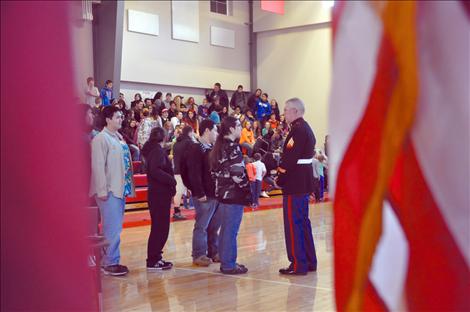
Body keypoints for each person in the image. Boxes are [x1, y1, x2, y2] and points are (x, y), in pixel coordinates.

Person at [90, 106, 135, 276]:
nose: (120, 119)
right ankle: (110, 262)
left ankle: (107, 259)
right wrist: (101, 190)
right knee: (112, 228)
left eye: (121, 116)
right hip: (108, 190)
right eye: (117, 117)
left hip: (119, 189)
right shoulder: (101, 139)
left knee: (113, 227)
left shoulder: (117, 138)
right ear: (108, 119)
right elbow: (98, 166)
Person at [277, 98, 317, 275]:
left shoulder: (297, 131)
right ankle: (309, 260)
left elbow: (289, 160)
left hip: (294, 183)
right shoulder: (305, 128)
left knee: (294, 224)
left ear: (295, 111)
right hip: (303, 182)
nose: (284, 114)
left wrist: (280, 178)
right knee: (303, 222)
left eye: (286, 110)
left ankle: (298, 264)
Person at [210, 116, 251, 274]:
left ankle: (226, 260)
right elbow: (237, 174)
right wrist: (247, 188)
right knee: (231, 230)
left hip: (222, 194)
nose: (241, 129)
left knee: (226, 229)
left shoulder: (218, 147)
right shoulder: (232, 147)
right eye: (239, 126)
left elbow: (214, 173)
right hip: (234, 195)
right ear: (232, 129)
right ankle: (228, 264)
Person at [184, 119, 222, 266]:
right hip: (204, 194)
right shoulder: (195, 148)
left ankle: (213, 251)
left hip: (215, 193)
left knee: (214, 226)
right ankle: (199, 254)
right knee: (202, 225)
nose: (217, 133)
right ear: (207, 130)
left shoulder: (211, 148)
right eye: (215, 130)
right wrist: (199, 192)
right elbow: (193, 173)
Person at [141, 127, 176, 270]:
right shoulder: (157, 151)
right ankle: (153, 259)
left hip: (158, 194)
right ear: (163, 137)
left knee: (159, 228)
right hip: (159, 194)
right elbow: (155, 170)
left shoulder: (154, 150)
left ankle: (156, 258)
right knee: (160, 228)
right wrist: (171, 180)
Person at [172, 126, 195, 220]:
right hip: (186, 170)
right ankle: (177, 212)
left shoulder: (176, 143)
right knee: (182, 191)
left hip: (177, 169)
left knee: (178, 192)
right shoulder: (189, 143)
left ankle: (177, 211)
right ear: (190, 133)